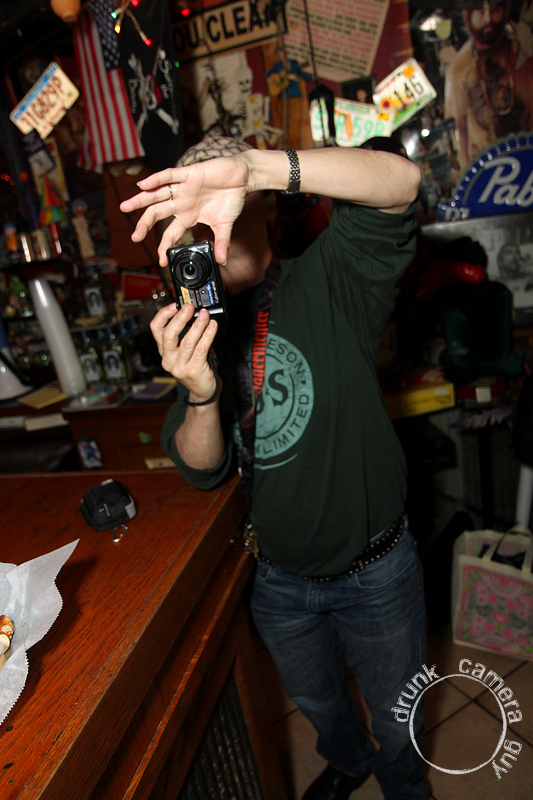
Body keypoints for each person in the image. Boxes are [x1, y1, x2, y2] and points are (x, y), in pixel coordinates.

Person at [120, 135, 429, 800]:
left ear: (261, 205)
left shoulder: (331, 276)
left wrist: (256, 167)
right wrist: (201, 394)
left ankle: (407, 789)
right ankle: (348, 763)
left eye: (217, 190)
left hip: (375, 569)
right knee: (319, 706)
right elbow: (202, 468)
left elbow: (402, 183)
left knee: (399, 721)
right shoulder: (199, 324)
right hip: (277, 578)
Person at [444, 0, 533, 171]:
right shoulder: (458, 70)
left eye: (495, 10)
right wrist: (468, 174)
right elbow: (461, 128)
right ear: (468, 16)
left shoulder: (524, 53)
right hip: (489, 171)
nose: (488, 19)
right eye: (480, 12)